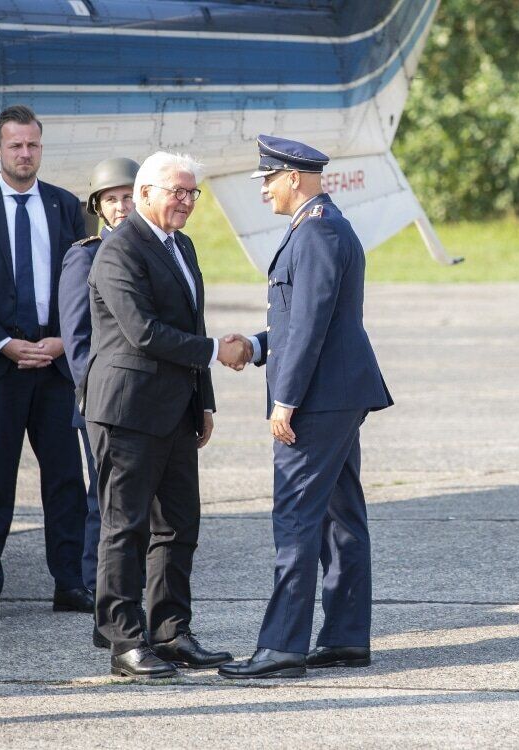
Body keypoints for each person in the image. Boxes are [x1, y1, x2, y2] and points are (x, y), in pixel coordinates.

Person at [218, 135, 393, 680]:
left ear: (294, 177)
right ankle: (343, 637)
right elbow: (300, 320)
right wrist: (257, 344)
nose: (264, 190)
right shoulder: (321, 224)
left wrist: (284, 400)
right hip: (337, 395)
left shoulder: (316, 231)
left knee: (296, 517)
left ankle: (282, 646)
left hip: (316, 402)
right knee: (341, 518)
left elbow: (313, 324)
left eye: (268, 179)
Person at [85, 151, 248, 678]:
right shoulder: (118, 250)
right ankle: (123, 641)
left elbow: (190, 317)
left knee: (178, 527)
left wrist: (203, 401)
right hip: (128, 411)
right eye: (176, 191)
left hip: (176, 410)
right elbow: (144, 332)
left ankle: (171, 632)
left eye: (192, 193)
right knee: (124, 527)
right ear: (145, 193)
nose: (185, 201)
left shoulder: (182, 246)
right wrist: (211, 353)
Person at [0, 104, 92, 625]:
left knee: (65, 479)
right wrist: (2, 343)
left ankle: (70, 583)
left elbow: (82, 283)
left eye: (32, 145)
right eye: (15, 146)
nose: (24, 154)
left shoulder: (65, 206)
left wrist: (62, 342)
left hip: (54, 365)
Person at [58, 157, 139, 649]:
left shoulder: (154, 250)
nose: (122, 205)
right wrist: (98, 394)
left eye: (129, 196)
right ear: (98, 207)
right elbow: (78, 339)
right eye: (112, 198)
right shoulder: (84, 257)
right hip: (104, 402)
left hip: (149, 404)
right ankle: (98, 594)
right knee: (106, 503)